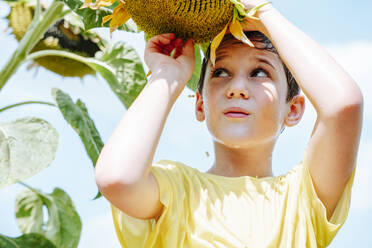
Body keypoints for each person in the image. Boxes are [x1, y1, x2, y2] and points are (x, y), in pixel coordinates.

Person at [94, 1, 363, 247]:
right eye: (220, 72)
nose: (236, 88)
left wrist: (262, 12)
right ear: (200, 105)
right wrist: (167, 75)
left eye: (259, 73)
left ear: (292, 109)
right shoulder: (175, 191)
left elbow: (342, 106)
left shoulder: (302, 199)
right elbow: (117, 179)